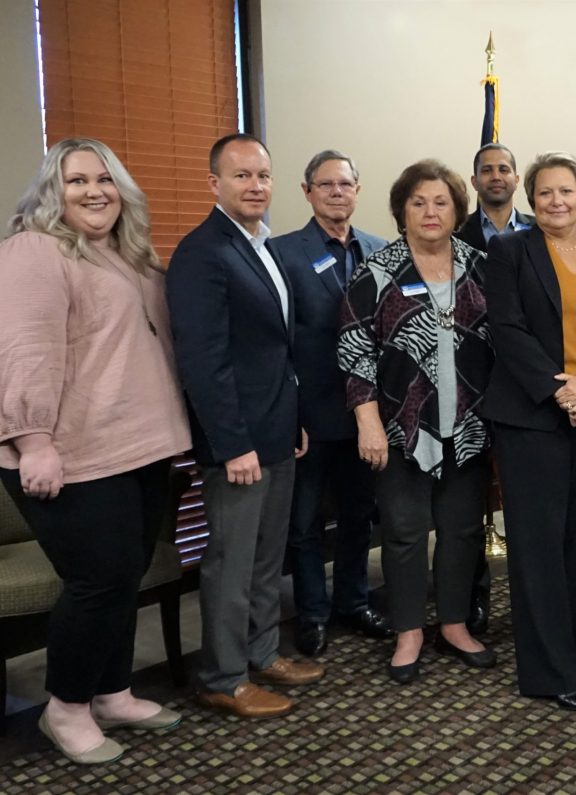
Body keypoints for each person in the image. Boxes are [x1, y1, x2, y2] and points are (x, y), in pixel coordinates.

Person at [0, 138, 191, 764]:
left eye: (105, 179)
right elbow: (23, 349)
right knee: (98, 580)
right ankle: (66, 707)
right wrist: (33, 441)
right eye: (76, 180)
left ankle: (112, 692)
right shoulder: (35, 251)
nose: (94, 191)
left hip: (139, 447)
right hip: (72, 454)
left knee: (125, 575)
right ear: (51, 191)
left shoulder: (129, 256)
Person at [167, 133, 324, 720]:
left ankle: (261, 652)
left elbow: (275, 347)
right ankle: (223, 676)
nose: (256, 186)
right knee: (231, 563)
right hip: (237, 442)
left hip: (277, 429)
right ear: (215, 183)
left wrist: (293, 419)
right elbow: (202, 361)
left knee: (265, 557)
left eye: (263, 175)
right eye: (241, 176)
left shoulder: (262, 245)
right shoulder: (202, 253)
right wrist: (232, 444)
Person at [482, 152, 576, 711]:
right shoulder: (509, 252)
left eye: (566, 191)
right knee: (538, 545)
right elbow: (507, 329)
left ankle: (573, 645)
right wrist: (560, 391)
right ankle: (548, 672)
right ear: (531, 199)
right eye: (544, 192)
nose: (556, 201)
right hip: (531, 418)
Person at [338, 159, 495, 684]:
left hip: (469, 425)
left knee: (462, 531)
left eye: (441, 202)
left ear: (458, 210)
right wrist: (367, 422)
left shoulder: (480, 267)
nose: (430, 212)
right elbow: (355, 351)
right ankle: (408, 632)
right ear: (401, 210)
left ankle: (453, 624)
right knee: (404, 533)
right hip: (400, 427)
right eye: (418, 202)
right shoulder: (377, 272)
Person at [274, 150, 391, 657]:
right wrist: (290, 413)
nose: (336, 192)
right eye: (325, 185)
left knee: (358, 515)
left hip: (368, 415)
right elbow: (277, 343)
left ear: (357, 191)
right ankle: (313, 614)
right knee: (303, 524)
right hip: (311, 415)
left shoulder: (381, 250)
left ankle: (353, 601)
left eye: (345, 184)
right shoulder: (283, 253)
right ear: (307, 192)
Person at [452, 141, 534, 636]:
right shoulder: (454, 234)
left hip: (527, 384)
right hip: (469, 381)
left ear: (517, 179)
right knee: (471, 502)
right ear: (475, 180)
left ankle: (531, 600)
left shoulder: (542, 230)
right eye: (487, 170)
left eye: (505, 168)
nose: (496, 176)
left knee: (525, 503)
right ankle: (473, 597)